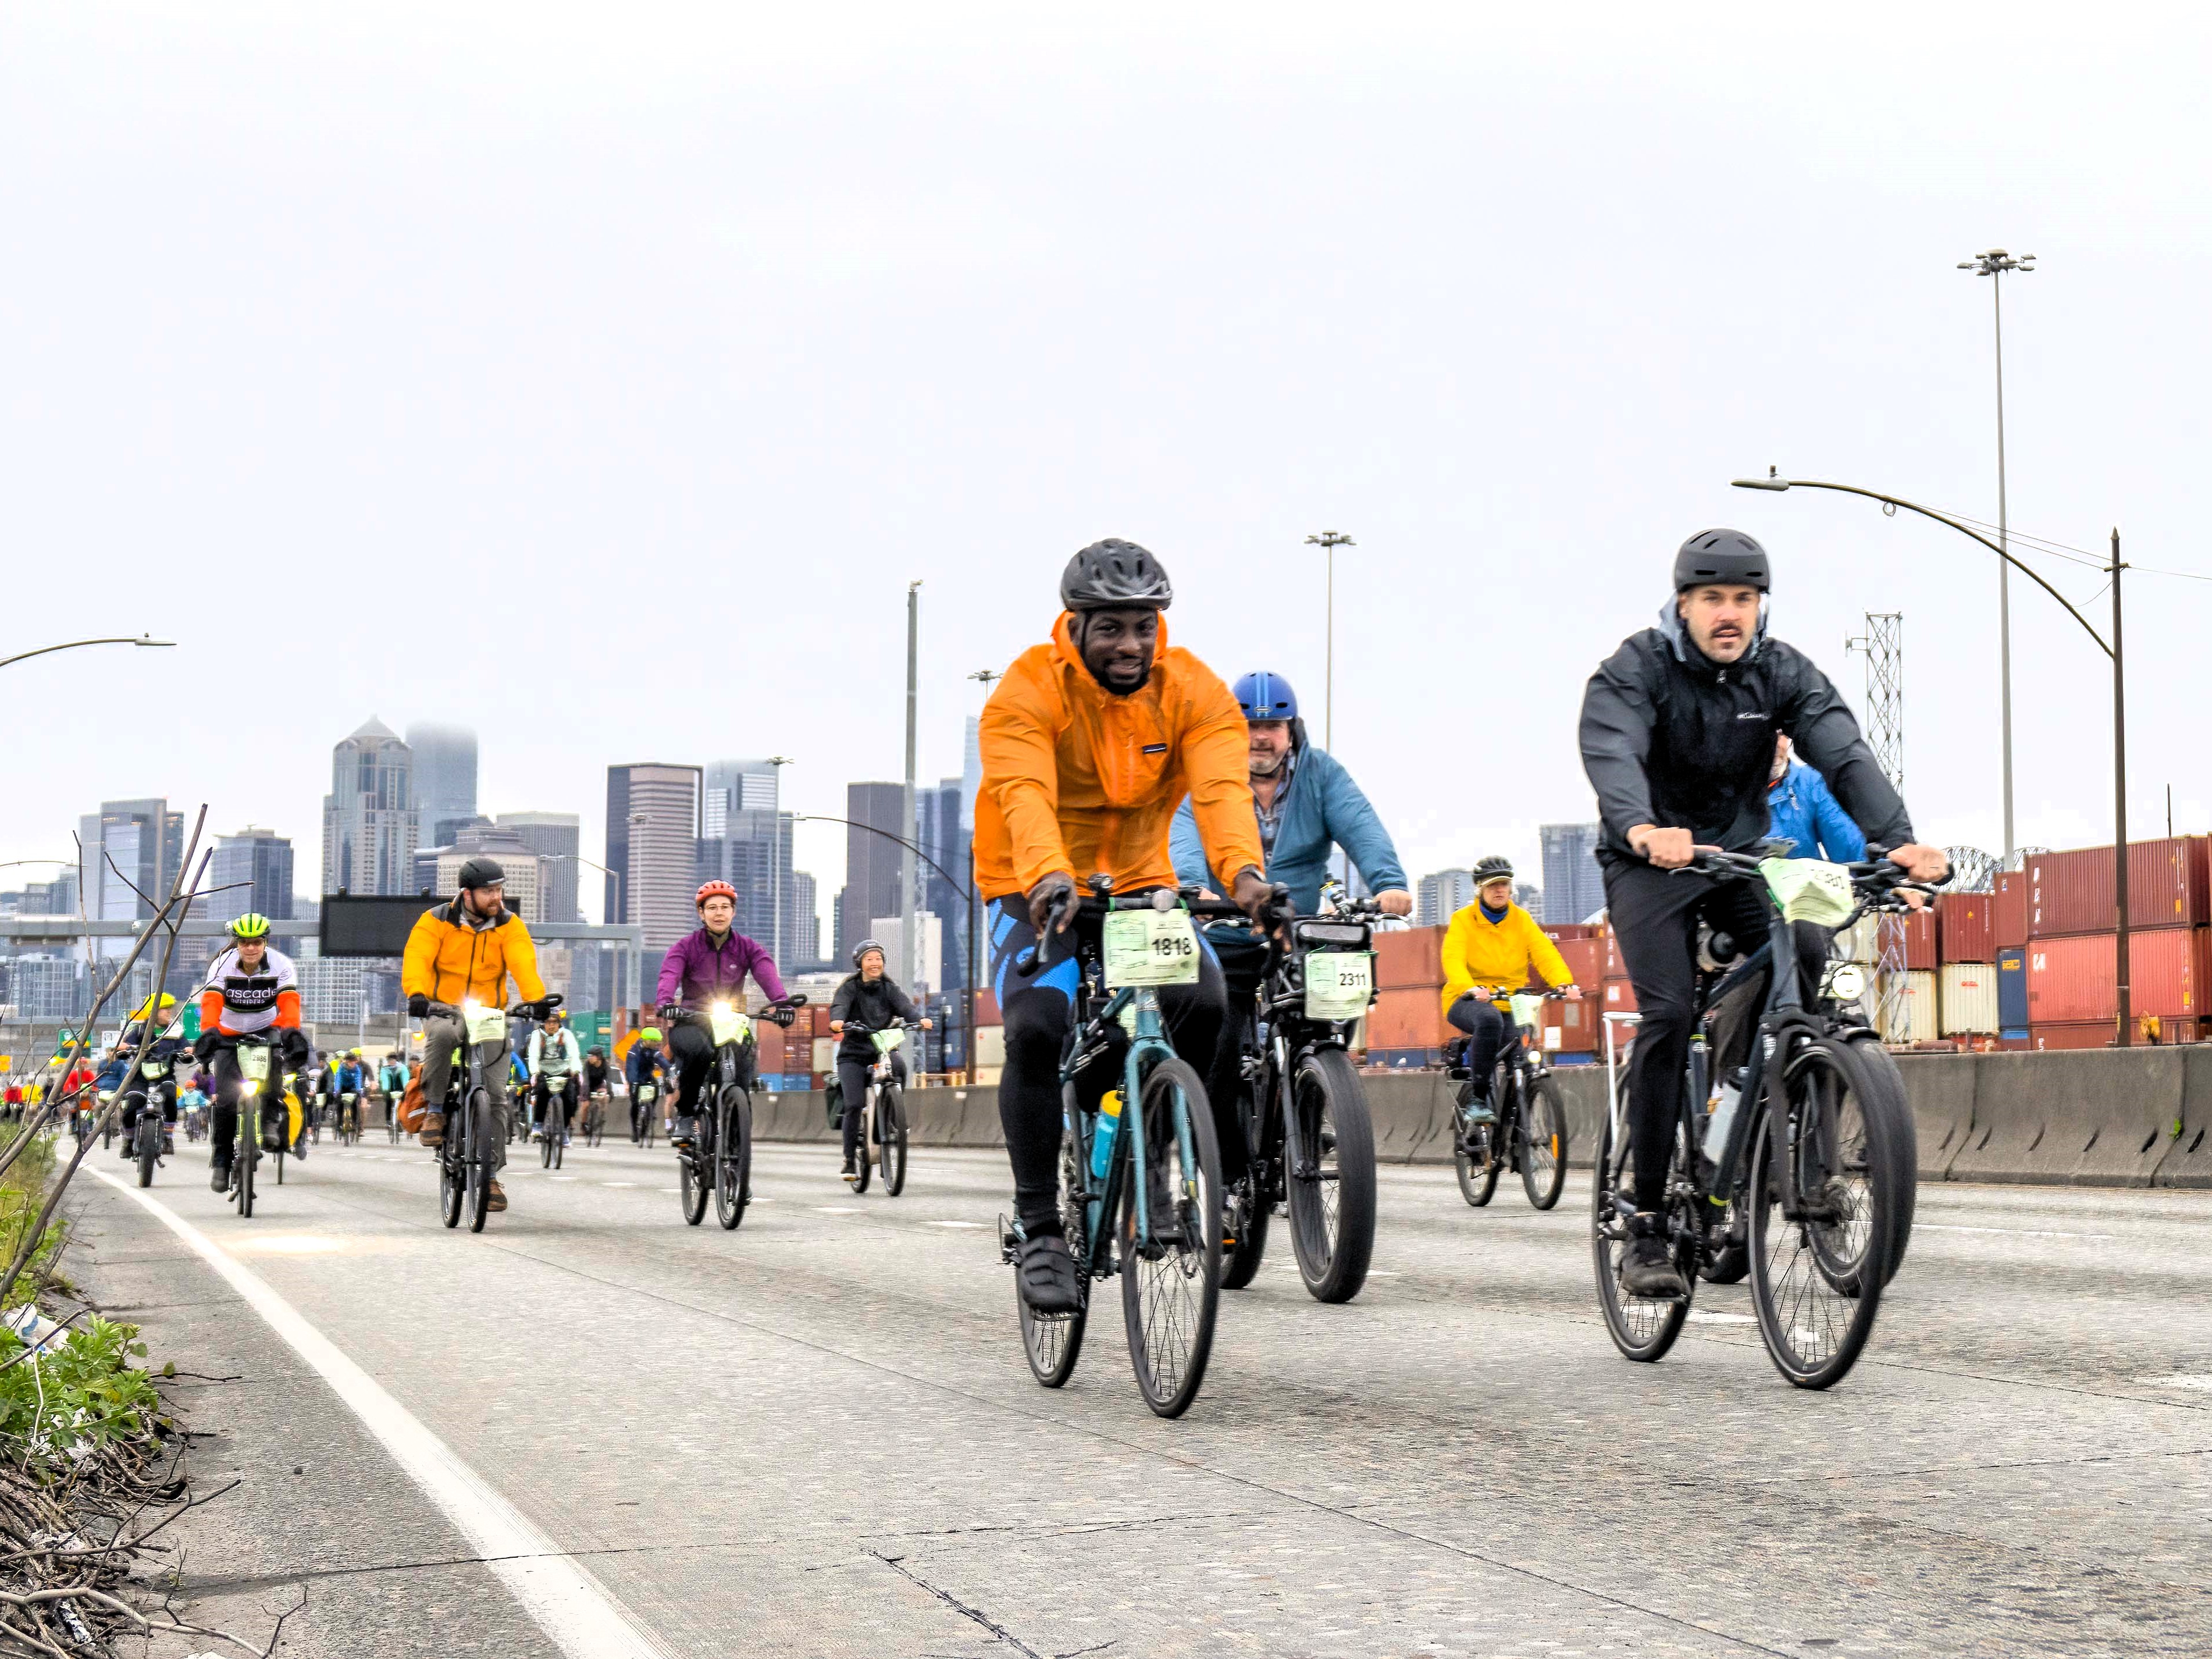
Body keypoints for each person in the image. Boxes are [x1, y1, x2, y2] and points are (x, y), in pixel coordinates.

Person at [1579, 529, 1947, 1298]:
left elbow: (1841, 751)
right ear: (1681, 605)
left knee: (1807, 949)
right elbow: (1611, 750)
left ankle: (1763, 1118)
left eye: (1742, 599)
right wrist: (1642, 828)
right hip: (1651, 861)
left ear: (1759, 606)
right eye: (1711, 598)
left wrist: (1897, 840)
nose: (1728, 615)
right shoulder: (1634, 669)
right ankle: (1646, 1223)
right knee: (1666, 1011)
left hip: (1741, 856)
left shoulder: (1780, 673)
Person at [976, 538, 1283, 1313]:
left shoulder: (1193, 692)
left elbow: (1219, 790)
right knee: (1038, 1030)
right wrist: (1046, 874)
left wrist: (1245, 880)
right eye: (1110, 627)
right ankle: (1041, 1226)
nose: (1129, 645)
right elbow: (1023, 793)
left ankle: (1157, 1150)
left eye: (1143, 627)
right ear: (1074, 625)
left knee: (1207, 1003)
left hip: (1141, 885)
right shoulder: (1025, 692)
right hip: (1030, 883)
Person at [1169, 668, 1413, 1189]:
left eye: (1274, 726)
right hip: (1226, 932)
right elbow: (1186, 830)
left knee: (1325, 1015)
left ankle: (1309, 1094)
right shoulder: (1212, 775)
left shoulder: (1321, 775)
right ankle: (1225, 1176)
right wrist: (1195, 886)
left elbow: (1360, 824)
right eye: (1249, 726)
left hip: (1294, 934)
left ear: (1291, 729)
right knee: (1223, 1041)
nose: (1261, 737)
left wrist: (1388, 882)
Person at [400, 857, 552, 1215]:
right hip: (444, 1008)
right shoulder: (435, 921)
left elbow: (523, 965)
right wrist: (417, 993)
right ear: (467, 893)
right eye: (488, 891)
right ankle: (436, 1110)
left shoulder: (509, 926)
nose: (496, 898)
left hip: (489, 1013)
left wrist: (535, 1000)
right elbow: (418, 957)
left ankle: (491, 1175)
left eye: (499, 890)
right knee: (439, 1038)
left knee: (497, 1096)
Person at [1439, 858, 1580, 1126]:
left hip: (1511, 1001)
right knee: (1489, 1021)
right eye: (1492, 885)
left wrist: (1564, 982)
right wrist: (1469, 987)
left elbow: (1544, 953)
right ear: (1480, 889)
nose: (1499, 890)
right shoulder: (1463, 921)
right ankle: (1478, 1100)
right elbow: (1453, 959)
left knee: (1524, 1059)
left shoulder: (1522, 920)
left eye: (1504, 884)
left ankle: (1518, 1133)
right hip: (1466, 998)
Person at [656, 880, 796, 1148]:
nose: (718, 913)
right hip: (691, 1018)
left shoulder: (748, 947)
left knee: (743, 1070)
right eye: (712, 908)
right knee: (699, 1052)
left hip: (731, 1022)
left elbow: (766, 972)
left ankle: (736, 1150)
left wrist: (782, 1003)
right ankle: (686, 1116)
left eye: (724, 907)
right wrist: (665, 1001)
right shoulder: (685, 947)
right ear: (701, 913)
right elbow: (669, 975)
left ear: (733, 912)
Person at [191, 913, 308, 1192]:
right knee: (228, 1102)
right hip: (228, 1033)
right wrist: (208, 1031)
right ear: (237, 943)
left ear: (265, 942)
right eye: (245, 943)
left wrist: (291, 1031)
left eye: (257, 942)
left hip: (265, 1028)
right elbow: (212, 1000)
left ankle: (269, 1120)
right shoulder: (222, 964)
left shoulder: (281, 964)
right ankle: (221, 1160)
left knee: (273, 1068)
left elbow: (289, 1001)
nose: (251, 948)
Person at [828, 939, 932, 1184]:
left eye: (878, 959)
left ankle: (892, 1122)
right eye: (869, 959)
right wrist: (838, 1020)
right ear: (860, 964)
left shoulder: (889, 988)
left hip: (881, 1050)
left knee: (900, 1067)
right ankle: (849, 1159)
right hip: (853, 1054)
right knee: (854, 1104)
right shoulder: (850, 987)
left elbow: (906, 1007)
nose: (875, 964)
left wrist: (919, 1020)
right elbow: (840, 1006)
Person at [1766, 734, 1867, 863]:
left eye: (1780, 734)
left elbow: (1848, 842)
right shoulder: (1733, 789)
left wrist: (1885, 859)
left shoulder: (1808, 782)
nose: (1775, 743)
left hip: (1800, 882)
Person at [526, 1010, 582, 1142]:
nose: (552, 1025)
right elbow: (533, 1055)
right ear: (544, 1024)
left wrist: (576, 1070)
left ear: (559, 1023)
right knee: (542, 1093)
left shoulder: (567, 1035)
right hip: (544, 1072)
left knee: (570, 1099)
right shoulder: (537, 1036)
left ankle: (564, 1131)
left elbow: (574, 1054)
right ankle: (538, 1124)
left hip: (563, 1072)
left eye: (555, 1022)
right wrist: (534, 1072)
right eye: (548, 1022)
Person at [624, 1028, 665, 1141]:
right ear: (646, 1041)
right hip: (635, 1078)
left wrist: (671, 1070)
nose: (657, 1044)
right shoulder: (634, 1052)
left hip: (647, 1077)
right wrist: (634, 1082)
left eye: (658, 1041)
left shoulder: (653, 1050)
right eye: (654, 1041)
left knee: (656, 1089)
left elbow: (662, 1060)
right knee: (635, 1104)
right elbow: (632, 1069)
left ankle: (650, 1112)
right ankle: (634, 1130)